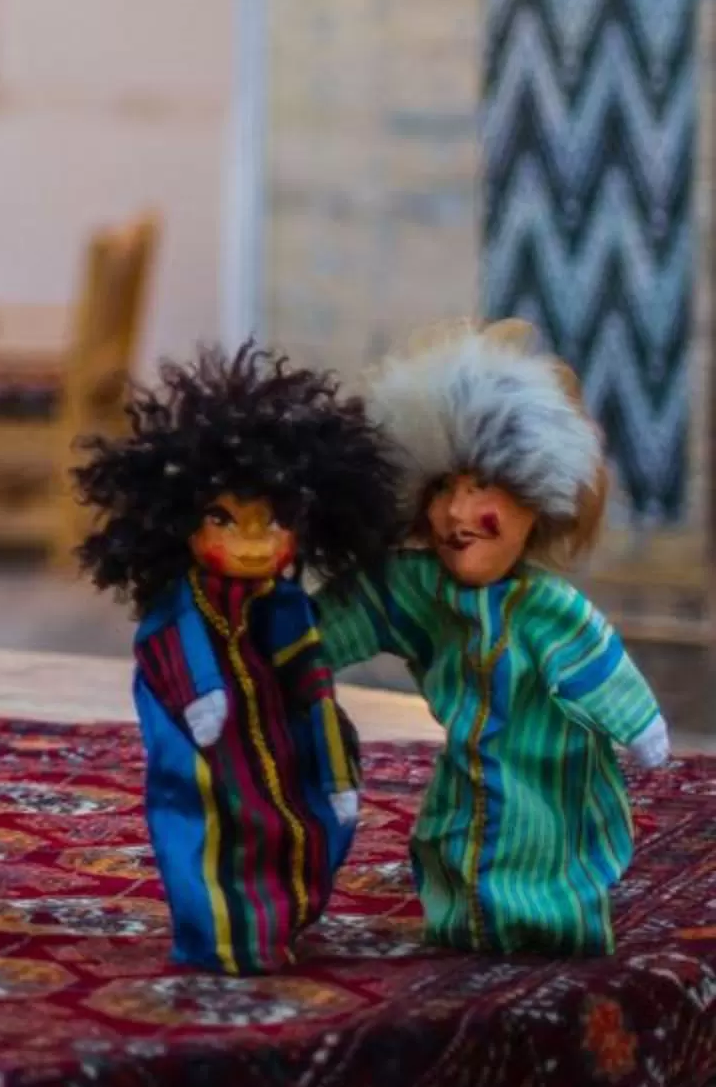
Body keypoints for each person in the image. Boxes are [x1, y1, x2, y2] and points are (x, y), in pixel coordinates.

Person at [317, 321, 670, 955]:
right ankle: (462, 920)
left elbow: (598, 663)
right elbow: (352, 613)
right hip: (468, 778)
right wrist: (286, 644)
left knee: (544, 855)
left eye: (481, 487)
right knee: (454, 845)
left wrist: (640, 726)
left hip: (552, 779)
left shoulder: (546, 607)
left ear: (537, 495)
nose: (456, 514)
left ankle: (554, 930)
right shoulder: (418, 588)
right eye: (442, 489)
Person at [75, 343, 404, 972]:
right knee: (209, 834)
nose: (253, 544)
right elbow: (168, 644)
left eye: (271, 523)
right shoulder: (182, 608)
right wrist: (203, 696)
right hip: (207, 752)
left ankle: (287, 915)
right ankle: (218, 934)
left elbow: (313, 680)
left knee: (298, 829)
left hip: (280, 744)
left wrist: (333, 763)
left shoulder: (283, 606)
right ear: (181, 526)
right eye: (227, 520)